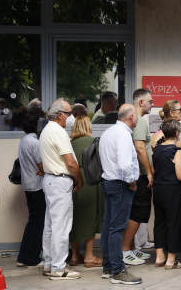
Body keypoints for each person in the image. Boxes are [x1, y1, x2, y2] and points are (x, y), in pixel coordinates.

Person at [39, 99, 84, 280]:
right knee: (61, 227)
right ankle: (59, 268)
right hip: (60, 181)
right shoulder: (58, 131)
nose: (71, 117)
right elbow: (70, 162)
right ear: (59, 115)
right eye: (68, 113)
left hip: (51, 180)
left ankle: (49, 264)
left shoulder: (46, 130)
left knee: (51, 225)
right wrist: (79, 179)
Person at [99, 104, 142, 285]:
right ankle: (118, 271)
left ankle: (109, 267)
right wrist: (131, 182)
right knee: (116, 228)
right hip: (120, 185)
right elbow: (125, 165)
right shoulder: (123, 134)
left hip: (109, 183)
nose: (138, 118)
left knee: (109, 226)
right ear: (131, 116)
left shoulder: (109, 132)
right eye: (137, 115)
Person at [121, 89, 154, 265]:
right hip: (140, 175)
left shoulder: (138, 121)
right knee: (138, 212)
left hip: (138, 174)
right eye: (150, 101)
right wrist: (149, 172)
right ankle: (125, 250)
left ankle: (132, 249)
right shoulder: (139, 122)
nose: (152, 104)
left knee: (134, 212)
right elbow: (140, 148)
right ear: (141, 102)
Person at [69, 116, 104, 268]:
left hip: (72, 181)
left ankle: (75, 255)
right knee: (91, 217)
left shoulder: (68, 143)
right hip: (91, 181)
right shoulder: (94, 142)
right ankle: (89, 256)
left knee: (74, 217)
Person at [152, 120, 181, 269]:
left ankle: (159, 257)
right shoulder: (176, 151)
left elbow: (153, 170)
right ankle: (171, 260)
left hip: (158, 188)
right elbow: (180, 176)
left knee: (159, 222)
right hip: (172, 189)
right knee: (174, 223)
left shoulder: (157, 149)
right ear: (177, 134)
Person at [16, 109, 46, 268]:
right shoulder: (35, 142)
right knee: (38, 222)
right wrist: (45, 169)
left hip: (28, 185)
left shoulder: (24, 139)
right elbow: (43, 166)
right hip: (37, 186)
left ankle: (23, 257)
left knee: (32, 221)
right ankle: (33, 258)